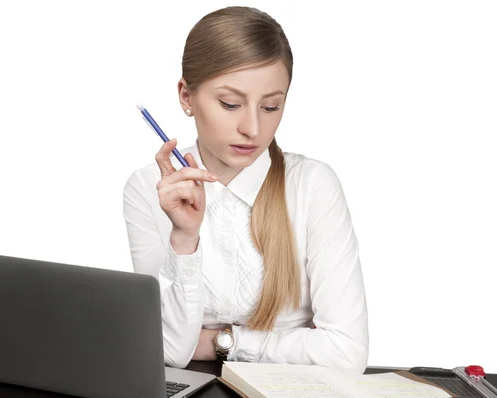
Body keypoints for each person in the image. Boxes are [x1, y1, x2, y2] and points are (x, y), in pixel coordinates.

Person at [122, 6, 369, 372]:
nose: (253, 128)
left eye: (271, 106)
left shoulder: (313, 185)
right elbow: (170, 351)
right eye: (230, 104)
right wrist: (184, 239)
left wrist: (223, 342)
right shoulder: (148, 188)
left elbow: (346, 351)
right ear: (187, 97)